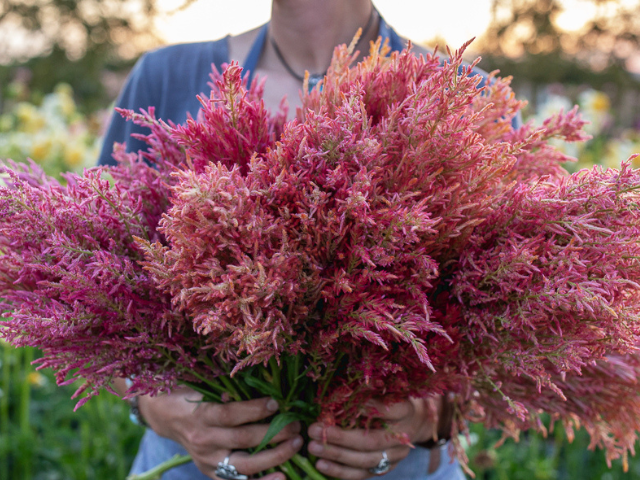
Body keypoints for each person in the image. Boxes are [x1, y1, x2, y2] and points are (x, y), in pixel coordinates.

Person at [103, 1, 470, 479]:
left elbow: (513, 323)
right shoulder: (167, 77)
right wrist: (159, 408)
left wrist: (431, 416)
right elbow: (99, 303)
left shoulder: (457, 88)